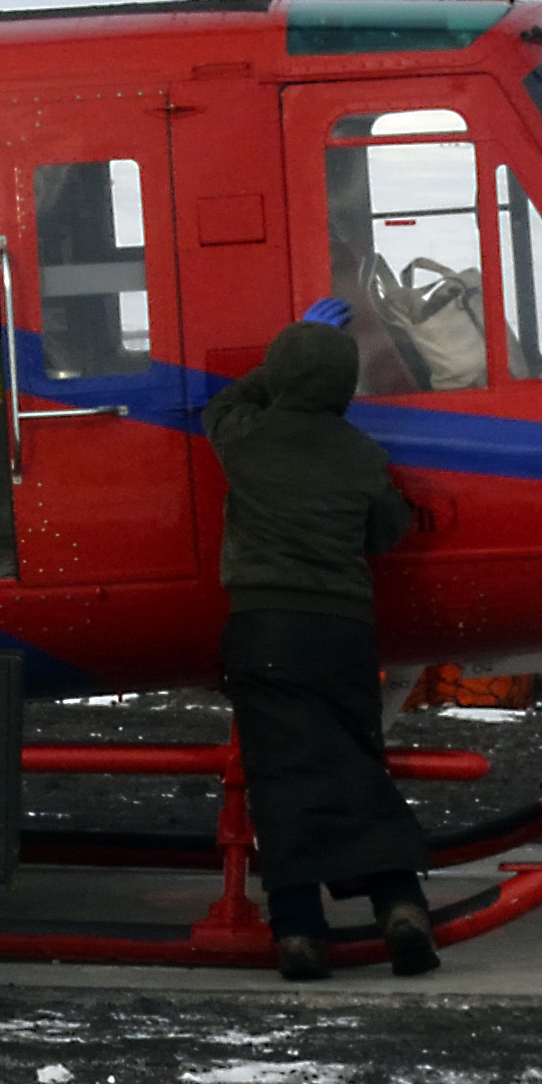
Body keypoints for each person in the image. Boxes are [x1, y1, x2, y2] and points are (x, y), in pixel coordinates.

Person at [209, 303, 440, 978]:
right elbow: (386, 531)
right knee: (356, 763)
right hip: (342, 631)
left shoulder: (247, 436)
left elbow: (225, 403)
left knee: (280, 777)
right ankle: (401, 907)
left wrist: (279, 360)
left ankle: (301, 935)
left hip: (264, 628)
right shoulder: (361, 453)